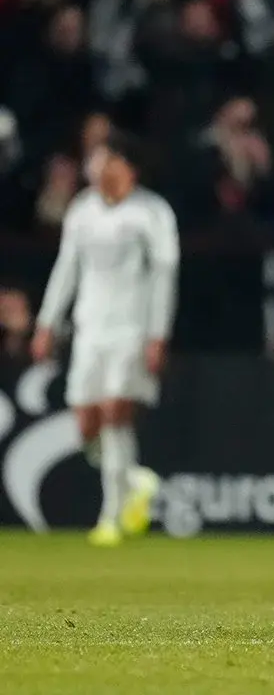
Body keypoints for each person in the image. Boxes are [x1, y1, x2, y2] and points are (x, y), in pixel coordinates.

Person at [30, 131, 176, 547]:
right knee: (86, 424)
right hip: (89, 327)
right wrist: (46, 323)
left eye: (100, 159)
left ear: (123, 165)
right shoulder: (82, 210)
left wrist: (157, 334)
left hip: (131, 328)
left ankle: (110, 516)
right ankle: (134, 480)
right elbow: (66, 269)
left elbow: (165, 275)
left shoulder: (152, 212)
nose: (92, 168)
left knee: (115, 412)